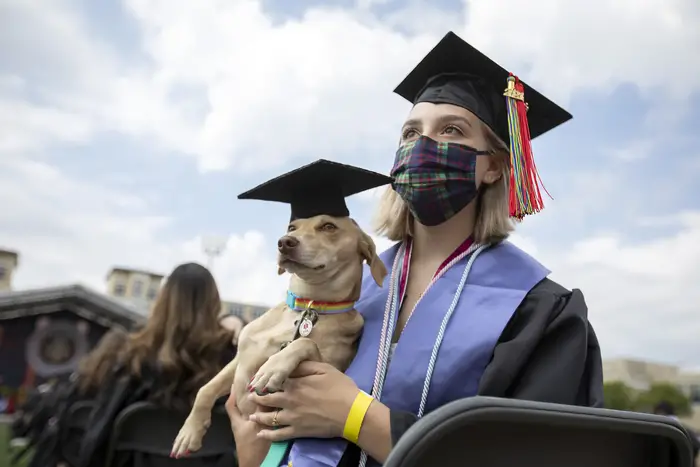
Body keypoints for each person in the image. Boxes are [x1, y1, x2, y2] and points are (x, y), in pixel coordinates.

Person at [226, 31, 604, 467]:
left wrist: (355, 416)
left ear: (495, 166)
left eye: (451, 130)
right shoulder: (346, 286)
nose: (423, 145)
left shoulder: (539, 310)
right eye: (410, 132)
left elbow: (537, 456)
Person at [16, 262, 237, 467]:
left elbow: (95, 442)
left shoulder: (131, 360)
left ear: (162, 301)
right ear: (214, 304)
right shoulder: (232, 363)